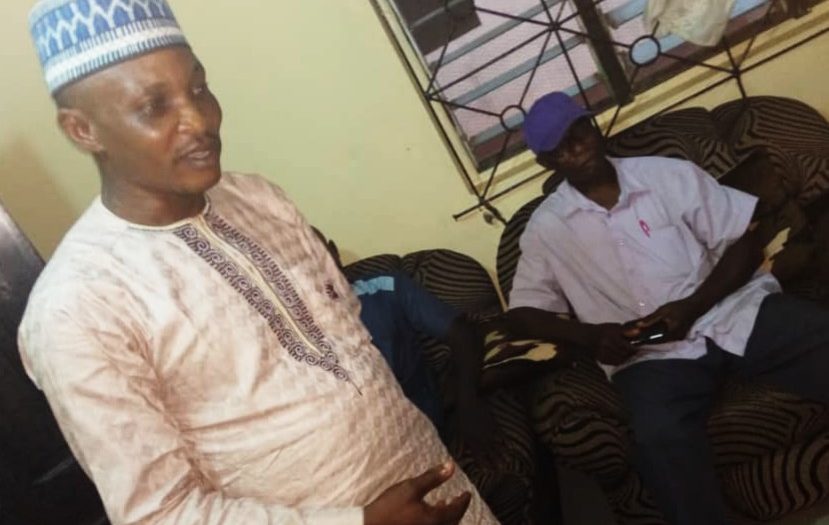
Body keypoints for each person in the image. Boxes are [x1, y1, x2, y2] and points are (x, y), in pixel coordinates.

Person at [19, 1, 497, 524]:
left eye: (199, 88)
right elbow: (159, 513)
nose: (199, 121)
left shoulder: (259, 199)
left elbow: (354, 348)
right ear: (82, 129)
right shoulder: (76, 306)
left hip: (441, 492)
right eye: (155, 107)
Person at [504, 91, 829, 525]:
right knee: (659, 438)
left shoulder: (665, 175)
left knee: (819, 335)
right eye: (561, 147)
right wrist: (592, 336)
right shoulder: (546, 229)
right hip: (650, 354)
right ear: (547, 163)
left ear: (594, 128)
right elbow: (522, 314)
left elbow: (746, 242)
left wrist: (691, 307)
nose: (577, 148)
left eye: (579, 132)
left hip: (728, 310)